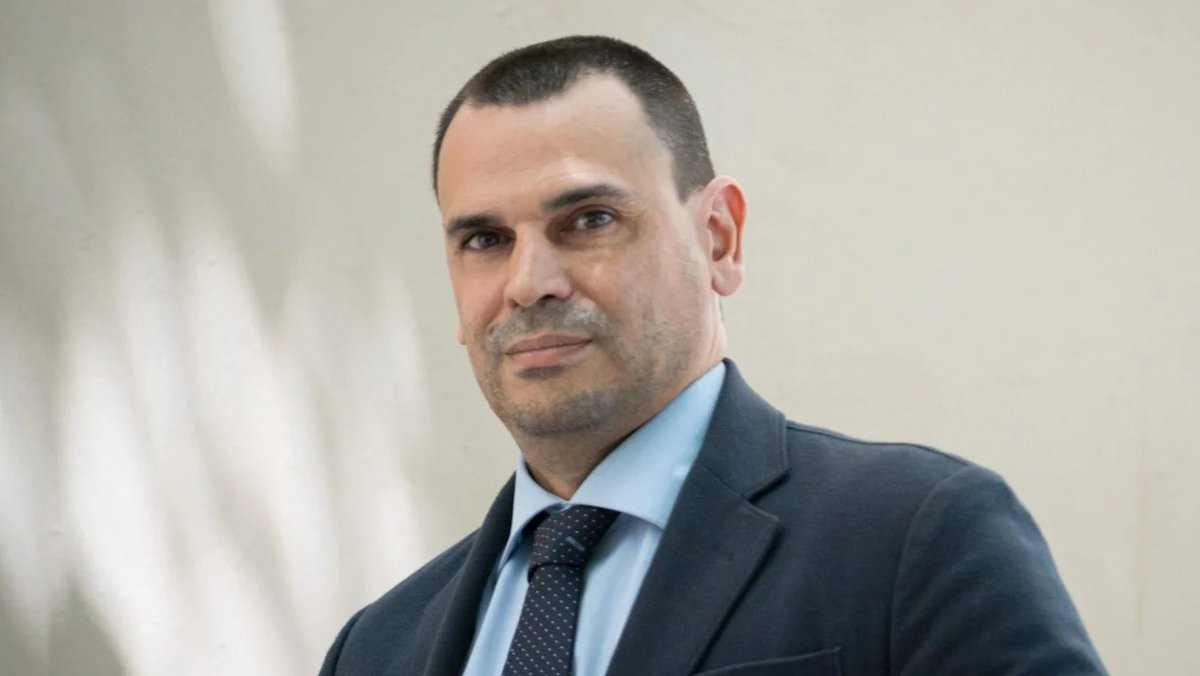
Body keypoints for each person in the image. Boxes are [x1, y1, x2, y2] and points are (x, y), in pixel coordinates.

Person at [320, 35, 1106, 675]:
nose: (529, 283)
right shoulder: (375, 649)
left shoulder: (914, 539)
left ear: (719, 238)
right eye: (486, 240)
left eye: (589, 220)